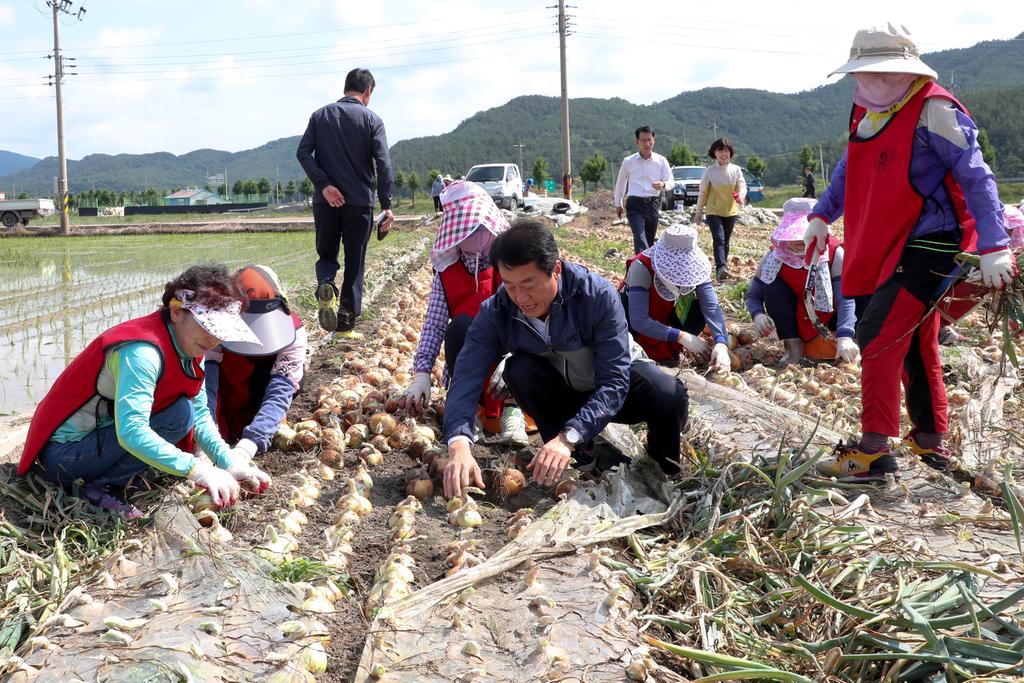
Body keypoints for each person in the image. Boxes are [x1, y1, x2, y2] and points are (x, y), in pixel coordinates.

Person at [803, 24, 1012, 481]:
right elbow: (849, 167)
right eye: (864, 72)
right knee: (915, 337)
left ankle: (874, 451)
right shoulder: (867, 109)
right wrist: (822, 214)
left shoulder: (935, 110)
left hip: (932, 242)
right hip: (889, 239)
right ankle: (930, 439)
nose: (869, 81)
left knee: (877, 333)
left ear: (903, 69)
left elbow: (977, 177)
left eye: (879, 71)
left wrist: (996, 245)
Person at [441, 219, 689, 499]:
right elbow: (466, 374)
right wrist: (458, 442)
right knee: (519, 368)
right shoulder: (498, 310)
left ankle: (661, 472)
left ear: (555, 270)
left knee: (669, 394)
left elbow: (615, 381)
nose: (521, 298)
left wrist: (568, 436)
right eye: (510, 286)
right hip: (563, 392)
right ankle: (585, 456)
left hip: (613, 390)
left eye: (529, 284)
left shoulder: (596, 296)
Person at [19, 265, 272, 516]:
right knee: (178, 416)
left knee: (183, 413)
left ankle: (110, 476)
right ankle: (95, 487)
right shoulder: (142, 353)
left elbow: (199, 412)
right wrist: (198, 470)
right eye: (207, 327)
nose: (213, 339)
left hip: (100, 439)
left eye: (220, 332)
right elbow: (132, 431)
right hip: (65, 455)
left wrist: (228, 461)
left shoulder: (193, 347)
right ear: (176, 312)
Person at [396, 180, 528, 446]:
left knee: (513, 322)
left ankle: (513, 411)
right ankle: (468, 410)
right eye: (470, 227)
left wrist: (515, 356)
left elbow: (531, 316)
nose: (478, 233)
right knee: (460, 327)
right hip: (471, 363)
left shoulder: (510, 263)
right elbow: (433, 325)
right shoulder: (447, 271)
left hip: (512, 362)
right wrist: (422, 374)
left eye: (481, 225)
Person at [297, 67, 395, 339]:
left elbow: (303, 153)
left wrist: (325, 185)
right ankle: (345, 325)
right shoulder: (372, 120)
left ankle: (326, 284)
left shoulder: (320, 116)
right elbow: (384, 164)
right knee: (355, 261)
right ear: (368, 91)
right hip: (359, 203)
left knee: (326, 254)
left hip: (325, 202)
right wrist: (386, 203)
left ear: (345, 87)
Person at [205, 265, 308, 459]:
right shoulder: (213, 326)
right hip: (229, 385)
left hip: (264, 379)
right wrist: (206, 434)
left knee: (293, 379)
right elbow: (206, 385)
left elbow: (282, 386)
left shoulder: (294, 331)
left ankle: (271, 421)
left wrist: (250, 444)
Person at [746, 198, 859, 365]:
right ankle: (793, 347)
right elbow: (753, 294)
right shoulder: (774, 256)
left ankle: (844, 343)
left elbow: (845, 298)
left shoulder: (835, 253)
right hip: (794, 320)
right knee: (771, 286)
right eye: (795, 235)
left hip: (829, 319)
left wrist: (845, 335)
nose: (800, 241)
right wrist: (757, 314)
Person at [620, 223, 731, 372]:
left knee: (697, 310)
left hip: (666, 313)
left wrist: (721, 343)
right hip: (637, 322)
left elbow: (710, 306)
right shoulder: (642, 266)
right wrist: (682, 336)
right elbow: (638, 320)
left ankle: (671, 350)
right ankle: (645, 354)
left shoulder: (696, 267)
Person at [614, 126, 674, 254]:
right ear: (637, 142)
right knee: (640, 238)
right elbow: (621, 183)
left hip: (653, 204)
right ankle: (641, 269)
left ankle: (647, 269)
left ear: (654, 141)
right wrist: (618, 204)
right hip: (634, 204)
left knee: (649, 241)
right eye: (643, 140)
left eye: (649, 140)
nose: (647, 144)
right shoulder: (628, 161)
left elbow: (671, 181)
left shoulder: (661, 161)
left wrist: (663, 184)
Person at [693, 138, 747, 281]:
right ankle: (721, 268)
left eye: (726, 150)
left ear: (730, 152)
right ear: (714, 153)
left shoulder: (736, 170)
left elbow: (742, 187)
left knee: (726, 241)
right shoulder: (710, 171)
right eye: (720, 151)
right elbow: (703, 192)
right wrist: (699, 212)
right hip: (713, 211)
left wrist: (741, 196)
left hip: (731, 210)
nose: (724, 154)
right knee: (719, 239)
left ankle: (723, 268)